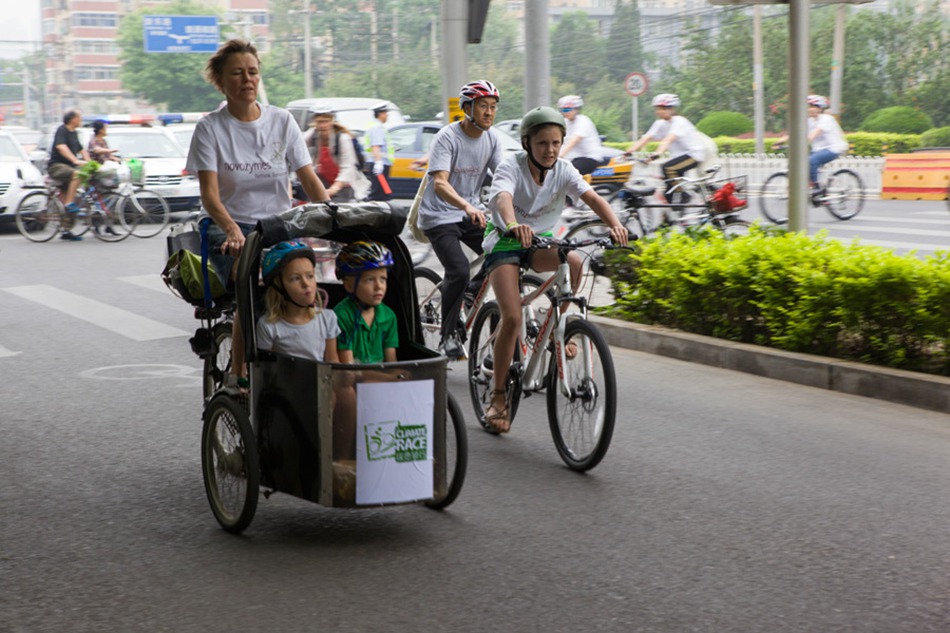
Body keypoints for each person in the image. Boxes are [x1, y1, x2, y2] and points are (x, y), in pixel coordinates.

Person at [185, 38, 330, 390]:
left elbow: (309, 179)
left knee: (307, 285)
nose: (247, 79)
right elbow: (209, 195)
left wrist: (334, 217)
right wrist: (233, 230)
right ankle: (239, 372)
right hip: (228, 226)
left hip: (279, 225)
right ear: (221, 81)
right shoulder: (210, 128)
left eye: (253, 72)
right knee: (252, 282)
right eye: (237, 73)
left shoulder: (282, 121)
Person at [481, 106, 628, 433]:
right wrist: (513, 224)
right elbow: (503, 198)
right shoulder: (511, 166)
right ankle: (499, 395)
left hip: (539, 241)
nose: (549, 150)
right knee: (513, 318)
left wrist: (616, 226)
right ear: (526, 144)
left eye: (556, 143)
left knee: (574, 262)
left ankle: (557, 328)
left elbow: (594, 199)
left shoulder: (564, 169)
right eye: (542, 143)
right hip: (506, 241)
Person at [418, 79, 504, 360]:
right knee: (458, 269)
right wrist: (467, 205)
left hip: (471, 212)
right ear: (468, 108)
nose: (489, 113)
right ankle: (448, 337)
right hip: (439, 215)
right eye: (483, 106)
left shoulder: (492, 139)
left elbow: (504, 177)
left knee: (503, 253)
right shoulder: (447, 137)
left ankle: (470, 293)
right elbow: (440, 183)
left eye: (492, 107)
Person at [256, 240, 340, 363]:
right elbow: (266, 371)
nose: (306, 284)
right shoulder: (269, 327)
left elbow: (333, 363)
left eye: (310, 276)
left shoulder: (327, 319)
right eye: (295, 278)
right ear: (279, 286)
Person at [624, 93, 706, 207]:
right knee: (668, 190)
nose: (658, 111)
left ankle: (684, 195)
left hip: (694, 155)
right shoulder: (660, 123)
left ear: (671, 109)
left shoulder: (679, 121)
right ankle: (674, 217)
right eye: (657, 108)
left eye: (662, 108)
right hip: (679, 156)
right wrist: (629, 151)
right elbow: (646, 138)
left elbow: (668, 139)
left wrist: (657, 153)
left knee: (668, 168)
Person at [333, 240, 399, 364]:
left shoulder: (388, 316)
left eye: (383, 279)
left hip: (381, 380)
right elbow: (348, 368)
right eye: (370, 280)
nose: (379, 286)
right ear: (349, 286)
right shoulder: (342, 316)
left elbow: (391, 362)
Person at [773, 94, 849, 199]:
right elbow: (795, 132)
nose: (809, 109)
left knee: (811, 161)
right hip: (818, 150)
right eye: (808, 106)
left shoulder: (826, 119)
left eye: (812, 106)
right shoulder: (809, 121)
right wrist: (780, 141)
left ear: (819, 108)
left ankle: (816, 188)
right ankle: (816, 190)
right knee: (801, 163)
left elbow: (813, 135)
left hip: (834, 148)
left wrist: (799, 143)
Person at [304, 106, 370, 202]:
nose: (322, 125)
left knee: (339, 212)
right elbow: (298, 148)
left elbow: (348, 168)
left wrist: (333, 189)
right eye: (319, 122)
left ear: (332, 121)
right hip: (324, 180)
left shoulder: (343, 139)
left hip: (343, 184)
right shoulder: (311, 136)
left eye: (325, 121)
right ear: (314, 122)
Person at [48, 109, 90, 241]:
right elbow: (61, 147)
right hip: (57, 167)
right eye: (79, 117)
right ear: (72, 119)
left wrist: (90, 163)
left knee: (72, 196)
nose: (81, 119)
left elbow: (81, 149)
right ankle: (69, 204)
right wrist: (75, 160)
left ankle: (66, 230)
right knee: (77, 175)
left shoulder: (74, 133)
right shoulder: (62, 130)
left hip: (68, 168)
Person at [556, 95, 604, 176]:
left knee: (566, 174)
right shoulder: (565, 122)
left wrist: (560, 155)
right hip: (572, 158)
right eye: (563, 110)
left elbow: (574, 140)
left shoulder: (583, 121)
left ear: (577, 109)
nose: (566, 112)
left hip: (589, 158)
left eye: (568, 109)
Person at [365, 103, 393, 202]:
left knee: (385, 192)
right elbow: (376, 146)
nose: (387, 116)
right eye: (386, 113)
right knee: (378, 193)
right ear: (380, 114)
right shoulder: (377, 128)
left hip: (381, 163)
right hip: (379, 164)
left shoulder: (377, 127)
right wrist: (378, 163)